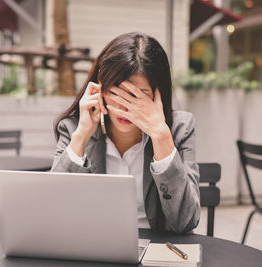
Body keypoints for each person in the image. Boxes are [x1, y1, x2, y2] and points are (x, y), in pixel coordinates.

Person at [52, 32, 200, 234]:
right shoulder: (73, 128)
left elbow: (185, 221)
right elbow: (53, 211)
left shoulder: (179, 128)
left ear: (159, 94)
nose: (124, 107)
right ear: (99, 89)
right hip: (93, 247)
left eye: (137, 95)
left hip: (156, 251)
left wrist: (161, 136)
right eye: (116, 93)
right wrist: (82, 134)